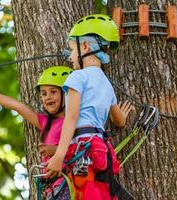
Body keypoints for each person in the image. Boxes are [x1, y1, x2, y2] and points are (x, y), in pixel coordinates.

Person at [46, 14, 131, 200]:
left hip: (81, 149)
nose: (71, 57)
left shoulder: (77, 77)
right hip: (100, 152)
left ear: (85, 47)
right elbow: (119, 121)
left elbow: (71, 117)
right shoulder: (107, 84)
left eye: (72, 50)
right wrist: (123, 115)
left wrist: (59, 156)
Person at [0, 66, 73, 199]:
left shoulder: (73, 121)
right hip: (51, 188)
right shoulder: (46, 122)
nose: (48, 97)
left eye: (53, 92)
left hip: (68, 184)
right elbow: (17, 106)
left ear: (67, 94)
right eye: (44, 93)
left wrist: (56, 150)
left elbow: (82, 146)